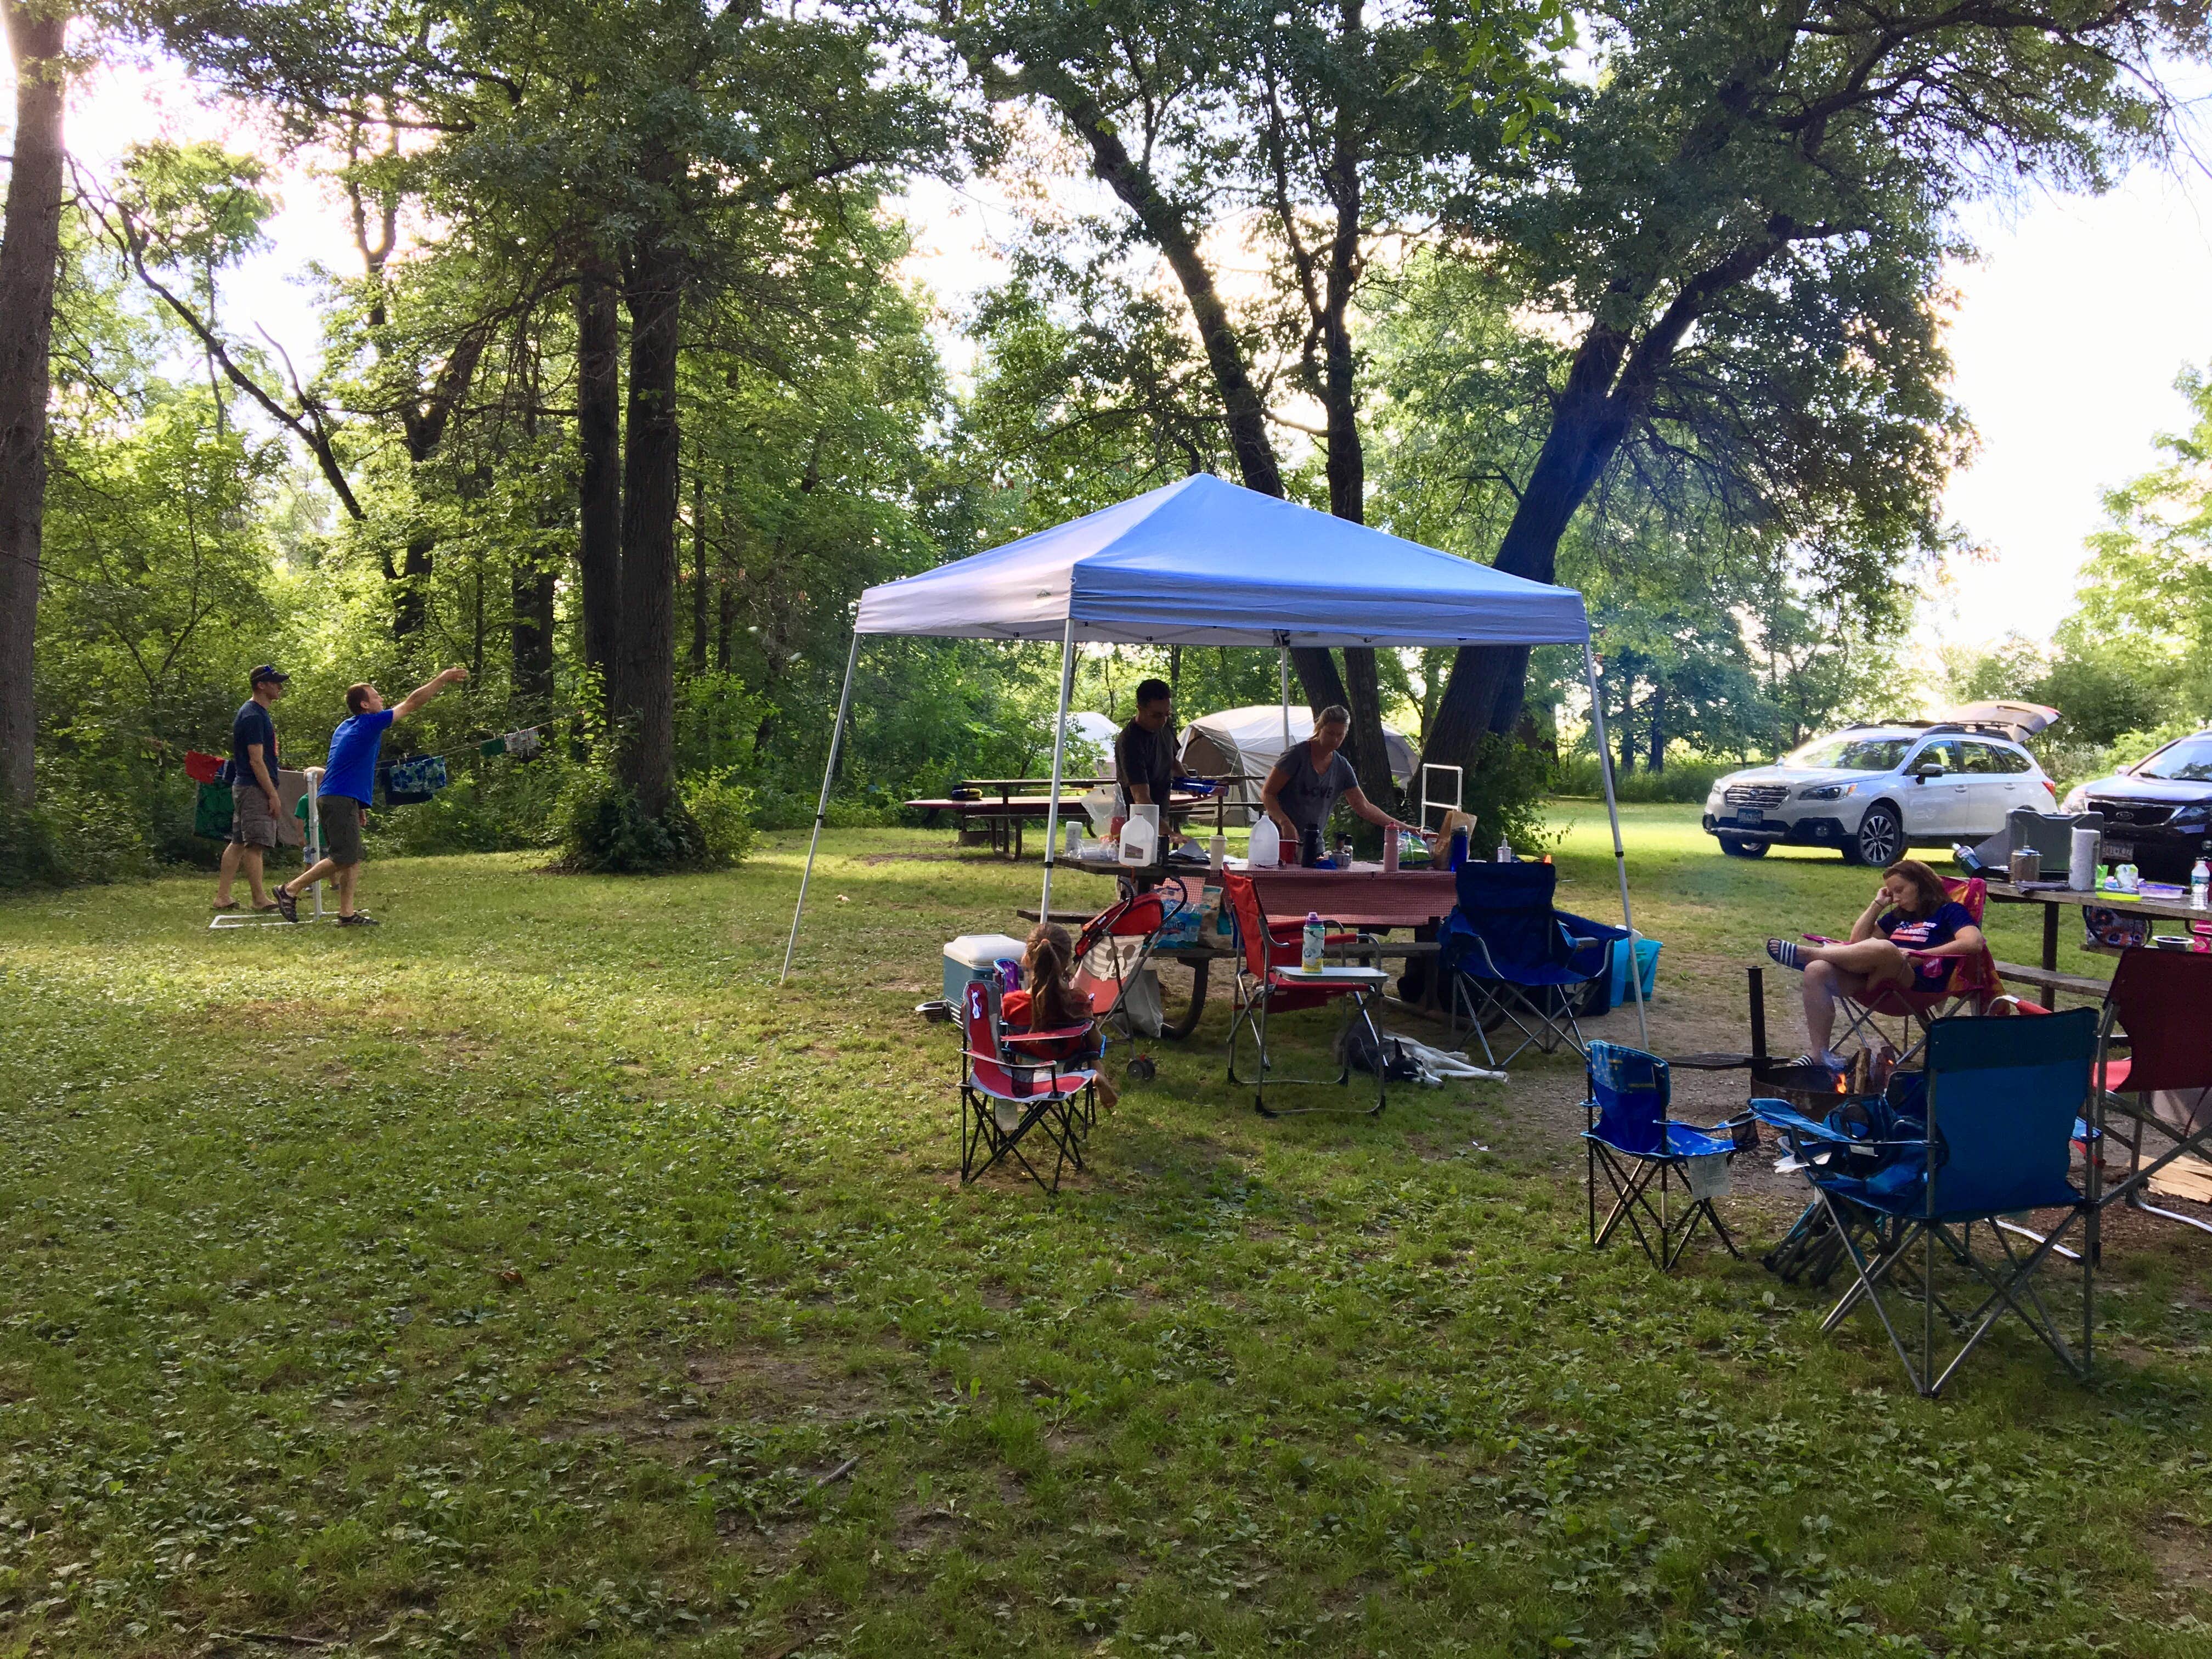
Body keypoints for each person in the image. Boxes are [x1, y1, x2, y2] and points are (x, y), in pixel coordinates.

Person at [274, 667, 467, 926]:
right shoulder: (369, 723)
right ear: (365, 705)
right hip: (339, 798)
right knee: (343, 856)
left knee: (352, 856)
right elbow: (412, 703)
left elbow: (346, 765)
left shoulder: (346, 726)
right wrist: (442, 679)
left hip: (339, 796)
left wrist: (359, 805)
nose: (382, 699)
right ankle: (290, 889)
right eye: (376, 696)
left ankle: (346, 914)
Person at [1764, 858, 1984, 1071]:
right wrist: (1877, 905)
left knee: (1886, 948)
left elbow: (1973, 943)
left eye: (1900, 890)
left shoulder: (1950, 911)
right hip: (1875, 982)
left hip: (1914, 984)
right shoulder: (1898, 916)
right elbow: (1858, 943)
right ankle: (1818, 1055)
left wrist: (1920, 954)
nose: (1895, 898)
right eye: (1892, 893)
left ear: (1920, 884)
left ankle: (1811, 954)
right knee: (1816, 971)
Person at [1260, 704, 1422, 864]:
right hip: (1280, 842)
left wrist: (1404, 828)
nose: (1335, 740)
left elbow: (1364, 807)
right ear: (1319, 728)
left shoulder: (1342, 766)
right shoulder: (1296, 756)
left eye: (1340, 735)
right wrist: (1285, 823)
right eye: (1330, 733)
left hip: (1314, 847)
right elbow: (1268, 793)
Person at [998, 921, 1116, 1109]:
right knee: (1092, 1051)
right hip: (1066, 1070)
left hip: (1025, 1072)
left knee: (1017, 1045)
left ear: (1027, 959)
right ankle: (1097, 1075)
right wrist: (1091, 1023)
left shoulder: (1011, 1002)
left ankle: (1027, 1070)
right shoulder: (1077, 1001)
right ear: (1067, 962)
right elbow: (1096, 1044)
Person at [214, 665, 290, 913]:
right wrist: (272, 794)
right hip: (253, 787)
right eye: (275, 682)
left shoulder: (256, 713)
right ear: (261, 685)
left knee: (238, 841)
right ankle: (259, 899)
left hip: (246, 786)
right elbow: (256, 760)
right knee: (255, 844)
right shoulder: (253, 715)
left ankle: (223, 897)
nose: (280, 687)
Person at [1114, 678, 1176, 817]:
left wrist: (1192, 784)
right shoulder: (1130, 742)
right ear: (1140, 708)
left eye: (1167, 714)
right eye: (1156, 715)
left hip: (1160, 813)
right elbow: (1141, 800)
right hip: (1135, 819)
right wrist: (1168, 830)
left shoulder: (1165, 725)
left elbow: (1172, 761)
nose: (1163, 721)